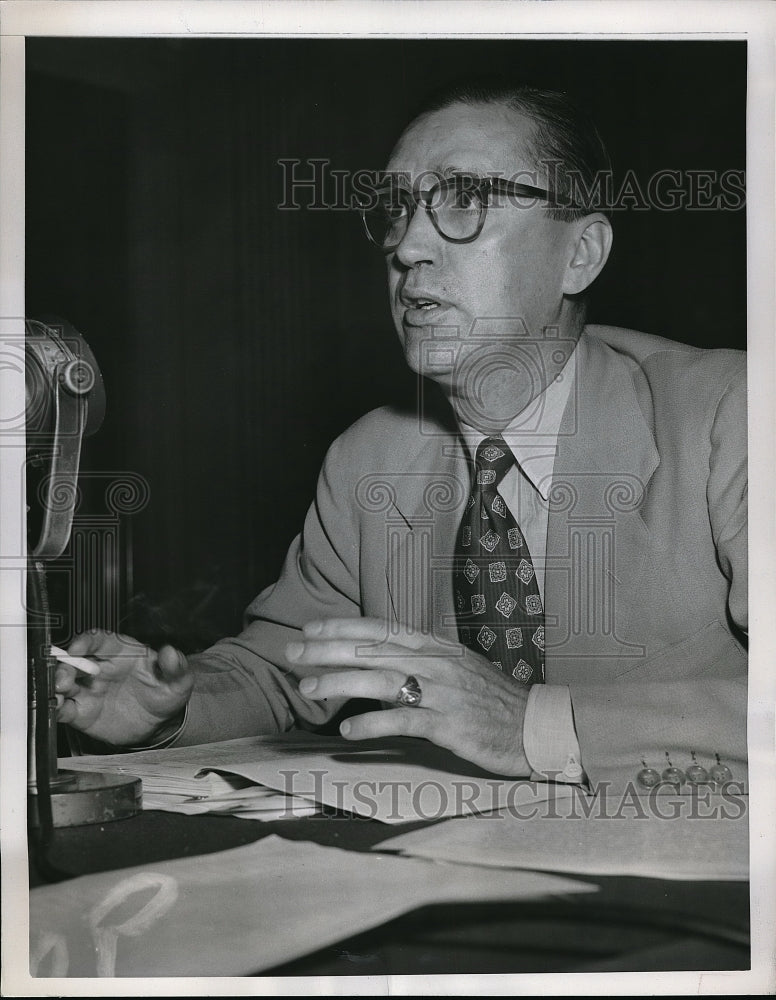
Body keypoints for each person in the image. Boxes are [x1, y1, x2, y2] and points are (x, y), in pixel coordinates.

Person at [55, 81, 747, 795]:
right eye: (398, 209)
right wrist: (171, 705)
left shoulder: (732, 415)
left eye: (464, 201)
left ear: (581, 253)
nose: (409, 246)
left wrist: (533, 727)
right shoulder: (370, 458)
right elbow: (282, 672)